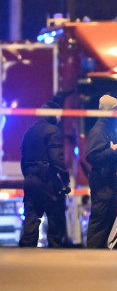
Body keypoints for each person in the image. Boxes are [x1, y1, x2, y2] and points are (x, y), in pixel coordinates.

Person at [19, 101, 71, 247]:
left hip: (30, 179)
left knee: (32, 215)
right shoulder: (53, 130)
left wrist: (28, 175)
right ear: (53, 114)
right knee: (55, 216)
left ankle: (26, 250)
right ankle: (54, 251)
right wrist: (65, 180)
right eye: (59, 115)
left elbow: (23, 158)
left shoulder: (29, 131)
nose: (60, 119)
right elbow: (57, 158)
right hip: (47, 180)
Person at [85, 94, 117, 248]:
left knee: (108, 218)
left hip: (107, 180)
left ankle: (102, 252)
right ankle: (93, 253)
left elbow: (105, 153)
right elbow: (91, 156)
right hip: (102, 181)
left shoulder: (107, 128)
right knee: (100, 218)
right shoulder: (99, 130)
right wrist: (113, 151)